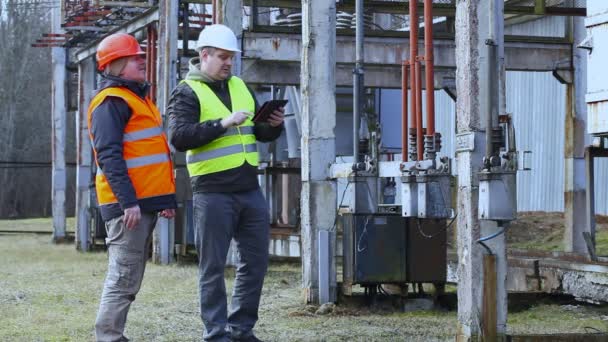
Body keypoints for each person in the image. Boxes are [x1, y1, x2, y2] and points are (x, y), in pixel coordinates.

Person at [167, 24, 284, 342]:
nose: (229, 63)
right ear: (204, 55)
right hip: (213, 190)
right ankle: (217, 333)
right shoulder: (186, 91)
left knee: (256, 262)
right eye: (223, 57)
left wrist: (272, 126)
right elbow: (179, 137)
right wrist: (223, 123)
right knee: (213, 266)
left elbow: (256, 133)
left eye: (232, 58)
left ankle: (241, 329)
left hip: (249, 187)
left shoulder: (240, 86)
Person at [88, 33, 177, 342]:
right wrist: (128, 203)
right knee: (123, 277)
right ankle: (108, 337)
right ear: (115, 64)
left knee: (130, 276)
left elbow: (150, 155)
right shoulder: (111, 102)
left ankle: (114, 335)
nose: (142, 59)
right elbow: (109, 156)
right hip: (127, 206)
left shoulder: (137, 98)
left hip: (140, 204)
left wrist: (162, 199)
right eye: (135, 56)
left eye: (141, 55)